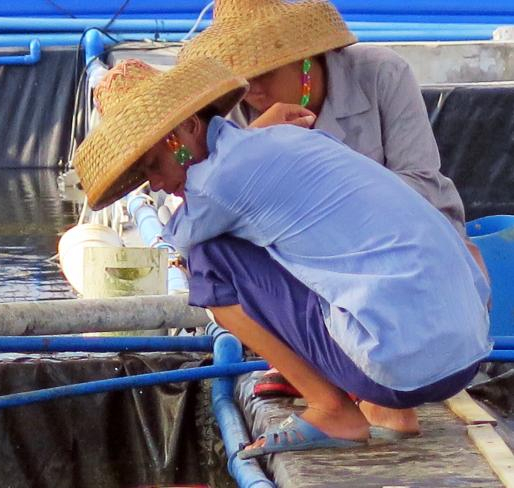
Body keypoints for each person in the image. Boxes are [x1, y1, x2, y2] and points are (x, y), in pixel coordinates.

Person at [73, 58, 491, 457]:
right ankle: (392, 412)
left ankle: (332, 410)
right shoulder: (291, 136)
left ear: (187, 127)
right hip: (468, 356)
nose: (159, 184)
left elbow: (177, 241)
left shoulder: (217, 182)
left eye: (155, 164)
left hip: (400, 371)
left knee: (208, 259)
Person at [179, 0, 488, 397]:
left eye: (265, 72)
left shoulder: (381, 74)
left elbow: (422, 183)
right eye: (241, 76)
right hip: (312, 257)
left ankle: (339, 386)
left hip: (403, 248)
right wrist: (254, 141)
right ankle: (315, 367)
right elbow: (210, 211)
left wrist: (330, 199)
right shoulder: (234, 108)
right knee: (211, 251)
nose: (253, 88)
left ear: (305, 57)